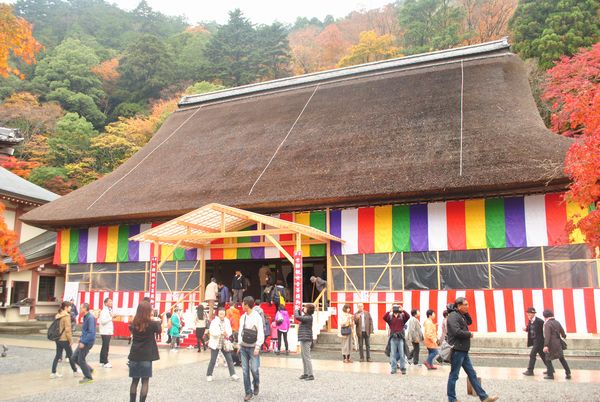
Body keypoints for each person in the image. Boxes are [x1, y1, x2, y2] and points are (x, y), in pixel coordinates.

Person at [447, 297, 498, 402]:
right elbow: (456, 332)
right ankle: (451, 399)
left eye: (467, 304)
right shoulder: (453, 316)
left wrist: (465, 312)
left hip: (463, 350)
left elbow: (469, 322)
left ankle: (484, 397)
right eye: (465, 305)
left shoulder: (460, 315)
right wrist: (469, 334)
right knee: (454, 375)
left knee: (472, 374)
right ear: (458, 306)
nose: (467, 306)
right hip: (457, 350)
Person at [128, 300, 161, 402]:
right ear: (148, 311)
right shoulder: (152, 324)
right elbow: (159, 330)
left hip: (134, 355)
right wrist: (154, 318)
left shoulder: (133, 324)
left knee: (134, 381)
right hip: (146, 356)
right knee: (145, 381)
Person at [239, 296, 265, 401]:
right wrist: (239, 343)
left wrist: (258, 346)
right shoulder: (243, 317)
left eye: (243, 304)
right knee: (245, 371)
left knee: (254, 369)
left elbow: (260, 332)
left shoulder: (257, 317)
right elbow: (241, 331)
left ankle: (256, 383)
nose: (241, 305)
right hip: (244, 347)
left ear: (246, 305)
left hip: (254, 346)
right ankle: (248, 392)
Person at [206, 307, 240, 382]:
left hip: (224, 342)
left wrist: (227, 333)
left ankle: (233, 374)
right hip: (216, 342)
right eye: (220, 314)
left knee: (229, 359)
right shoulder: (214, 321)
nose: (222, 315)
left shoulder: (227, 321)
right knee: (213, 360)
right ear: (218, 314)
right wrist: (221, 333)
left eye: (223, 314)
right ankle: (209, 374)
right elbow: (212, 331)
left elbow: (229, 331)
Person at [50, 301, 78, 378]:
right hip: (64, 338)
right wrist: (70, 340)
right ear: (65, 307)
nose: (71, 308)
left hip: (57, 338)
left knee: (58, 355)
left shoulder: (58, 315)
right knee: (70, 355)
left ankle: (53, 372)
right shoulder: (66, 316)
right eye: (69, 307)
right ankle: (75, 371)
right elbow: (68, 330)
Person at [542, 309, 571, 380]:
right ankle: (568, 372)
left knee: (547, 358)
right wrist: (564, 336)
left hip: (551, 344)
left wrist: (546, 345)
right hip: (558, 344)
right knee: (561, 358)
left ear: (545, 316)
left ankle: (550, 374)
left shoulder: (547, 324)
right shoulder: (557, 322)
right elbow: (562, 332)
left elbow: (547, 336)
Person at [383, 303, 410, 374]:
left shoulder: (402, 317)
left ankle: (403, 368)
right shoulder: (390, 317)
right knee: (393, 354)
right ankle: (393, 368)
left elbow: (408, 316)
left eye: (396, 308)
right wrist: (389, 310)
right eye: (395, 308)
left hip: (400, 338)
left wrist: (402, 309)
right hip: (393, 338)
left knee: (402, 354)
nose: (396, 309)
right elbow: (384, 317)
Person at [72, 303, 95, 384]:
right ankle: (89, 370)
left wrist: (84, 342)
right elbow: (85, 331)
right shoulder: (85, 317)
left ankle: (88, 377)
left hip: (87, 342)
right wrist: (81, 338)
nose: (80, 309)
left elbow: (91, 332)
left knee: (81, 359)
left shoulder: (90, 318)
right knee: (74, 357)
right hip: (83, 340)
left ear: (85, 308)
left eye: (81, 308)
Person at [522, 307, 547, 376]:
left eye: (530, 314)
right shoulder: (530, 321)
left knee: (532, 354)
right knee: (542, 355)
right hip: (534, 340)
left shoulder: (540, 321)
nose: (528, 316)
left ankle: (530, 370)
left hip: (539, 341)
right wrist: (526, 329)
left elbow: (545, 330)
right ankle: (550, 369)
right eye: (528, 314)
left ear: (533, 314)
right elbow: (530, 328)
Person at [295, 303, 315, 380]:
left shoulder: (309, 317)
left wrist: (296, 309)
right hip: (304, 338)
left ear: (308, 309)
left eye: (305, 307)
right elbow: (300, 317)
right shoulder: (306, 317)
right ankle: (305, 373)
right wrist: (300, 310)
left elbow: (297, 317)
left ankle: (311, 374)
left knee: (307, 357)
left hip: (306, 339)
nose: (304, 308)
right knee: (304, 357)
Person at [99, 297, 115, 368]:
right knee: (105, 347)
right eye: (110, 301)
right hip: (105, 331)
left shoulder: (109, 310)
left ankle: (102, 360)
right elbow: (103, 321)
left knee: (105, 346)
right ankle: (105, 361)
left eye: (111, 301)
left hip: (108, 331)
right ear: (105, 303)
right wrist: (111, 317)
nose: (111, 303)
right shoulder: (104, 311)